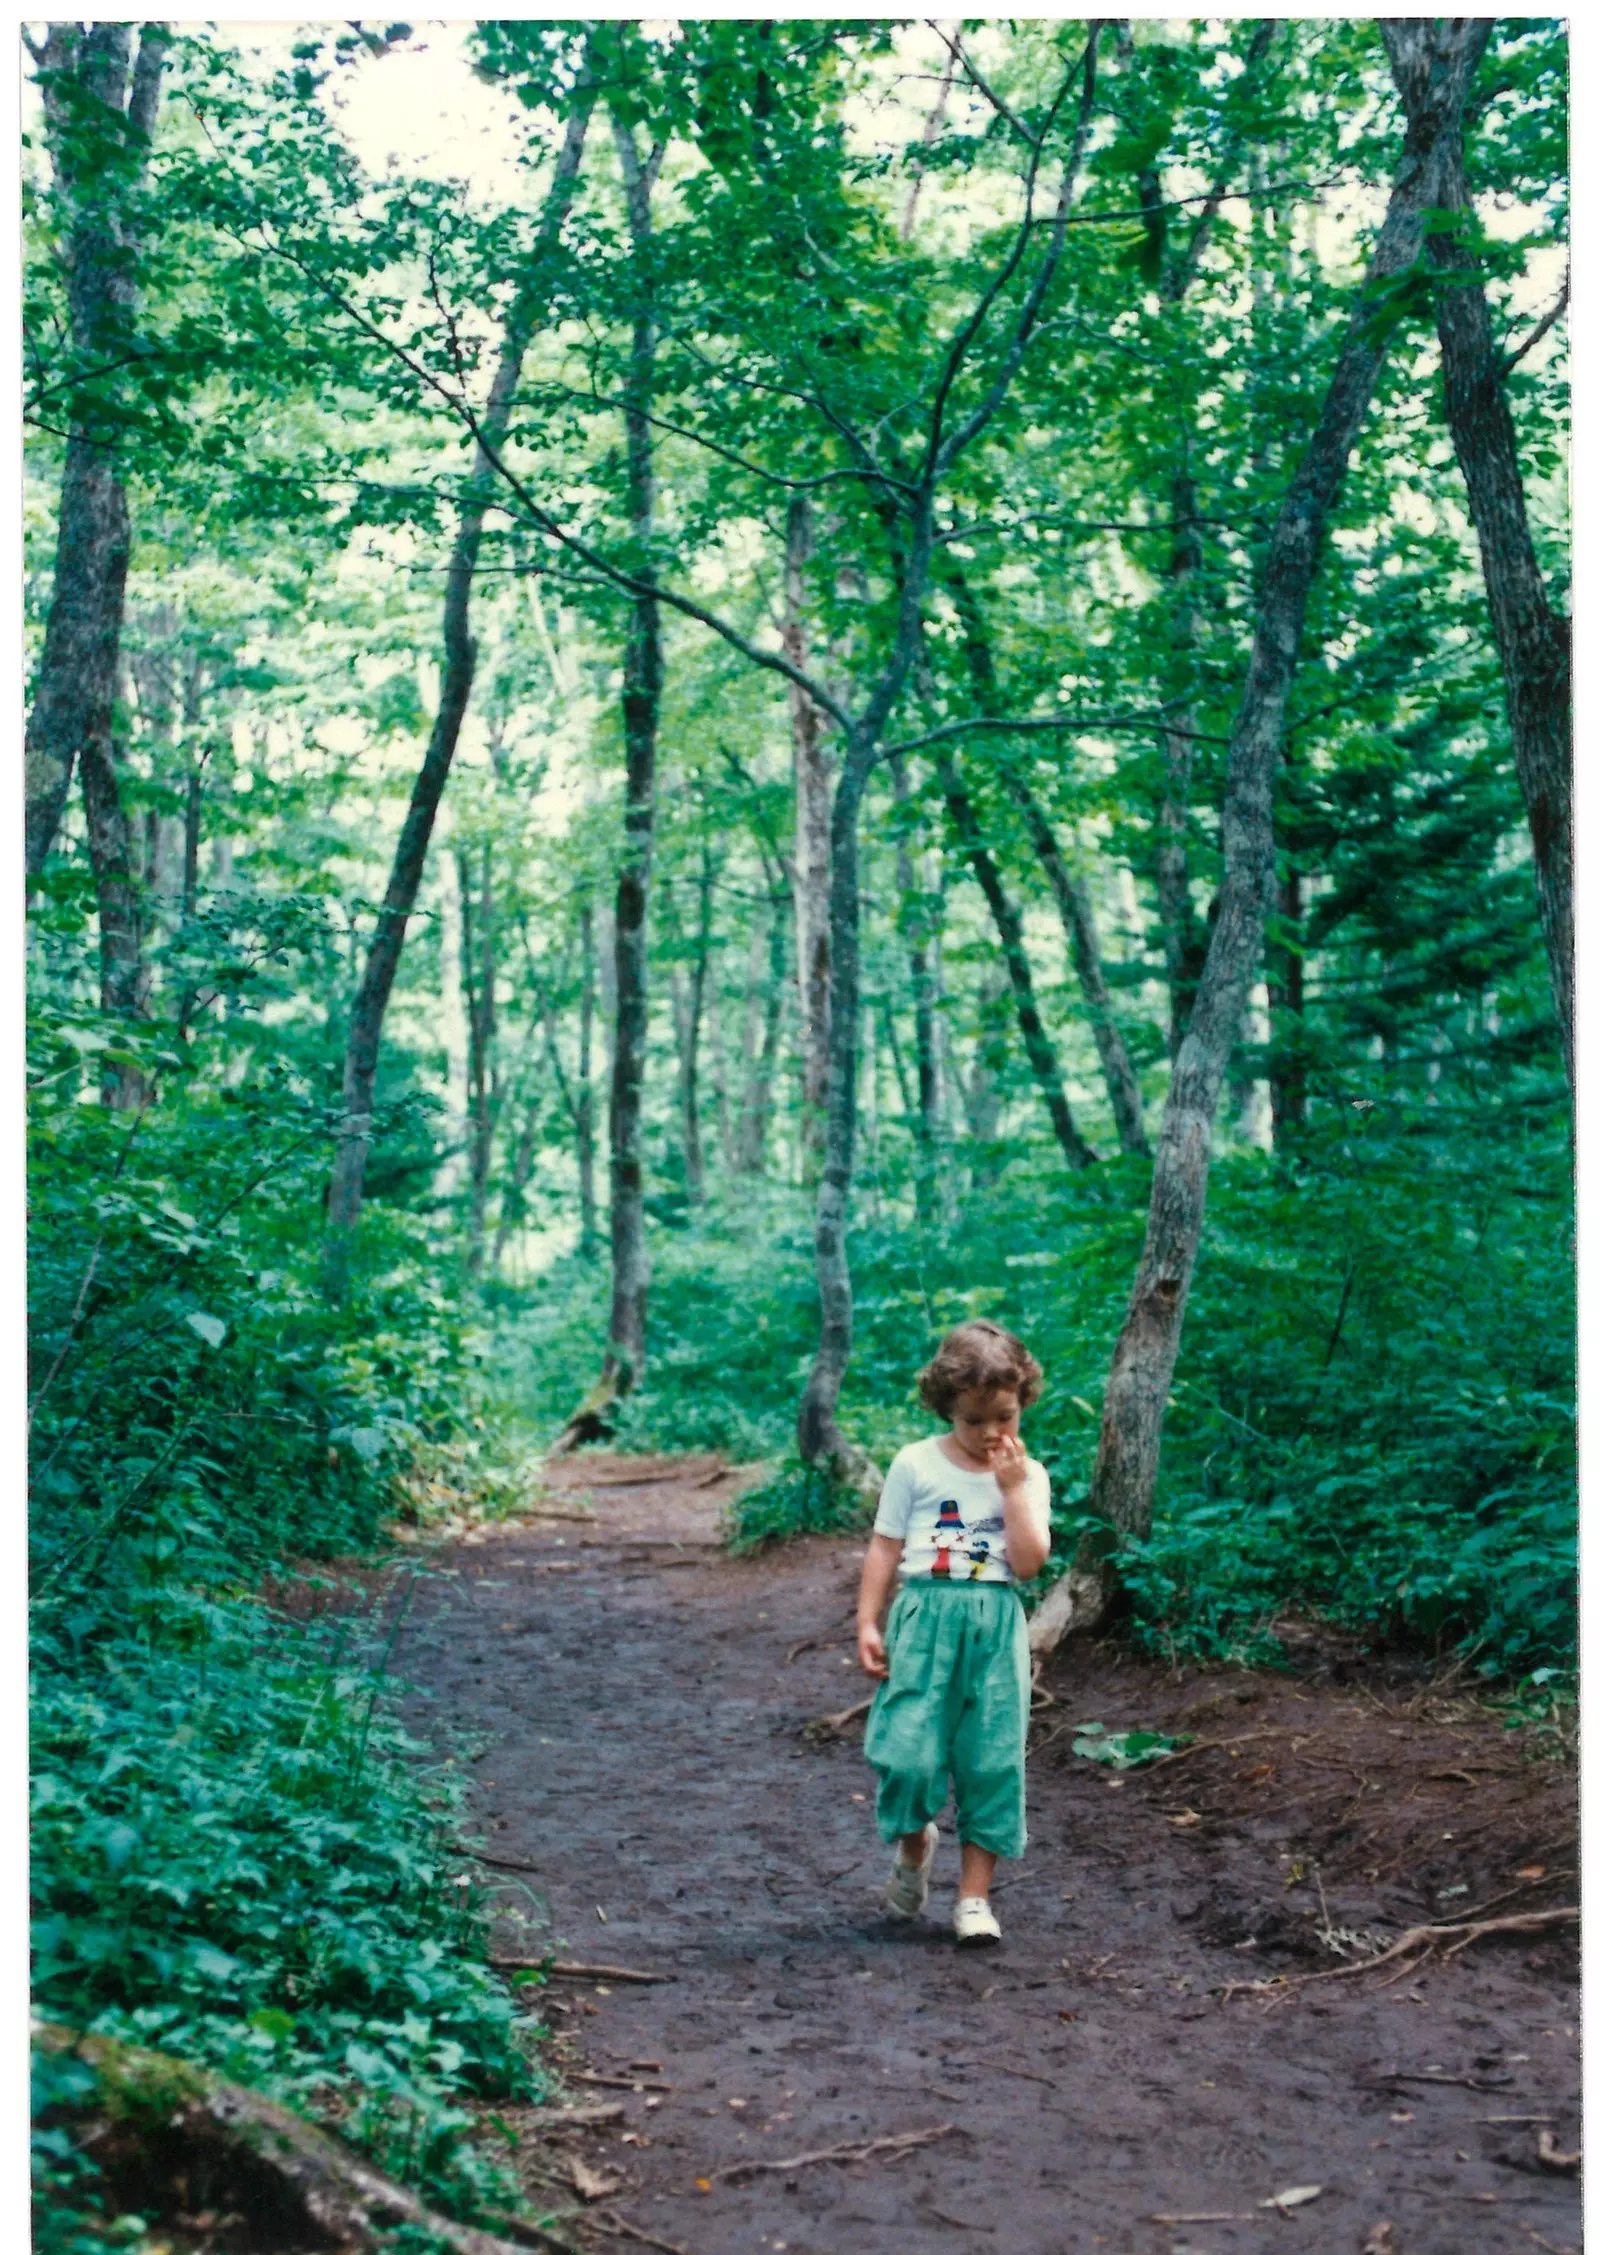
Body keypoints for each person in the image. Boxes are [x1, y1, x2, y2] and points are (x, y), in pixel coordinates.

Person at [856, 1319, 1051, 1945]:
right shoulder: (915, 1464)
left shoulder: (1029, 1474)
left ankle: (973, 1899)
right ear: (947, 1408)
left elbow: (1027, 1564)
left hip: (994, 1629)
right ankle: (915, 1847)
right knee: (907, 1756)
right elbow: (886, 1545)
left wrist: (1013, 1491)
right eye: (974, 1421)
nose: (992, 1433)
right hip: (922, 1622)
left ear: (1022, 1405)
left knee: (992, 1759)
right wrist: (867, 1620)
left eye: (1006, 1416)